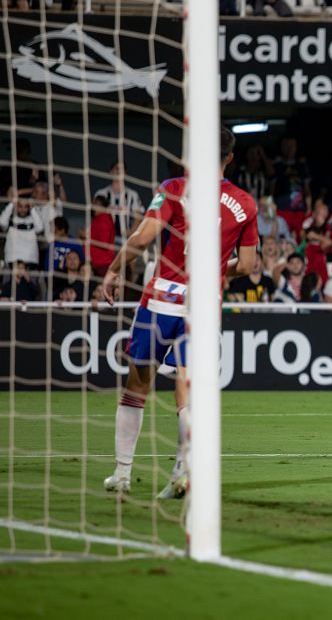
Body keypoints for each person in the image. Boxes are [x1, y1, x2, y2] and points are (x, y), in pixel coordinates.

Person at [99, 126, 258, 498]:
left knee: (137, 386)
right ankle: (182, 474)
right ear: (230, 157)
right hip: (201, 304)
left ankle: (122, 475)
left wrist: (113, 270)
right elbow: (248, 265)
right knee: (186, 390)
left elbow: (142, 238)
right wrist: (217, 269)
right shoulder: (245, 203)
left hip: (161, 300)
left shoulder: (173, 188)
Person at [95, 161, 144, 243]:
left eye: (122, 169)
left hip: (125, 239)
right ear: (110, 172)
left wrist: (132, 232)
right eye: (116, 168)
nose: (118, 171)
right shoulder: (102, 193)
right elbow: (95, 216)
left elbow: (138, 216)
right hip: (106, 240)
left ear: (125, 173)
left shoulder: (132, 195)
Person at [0, 198, 43, 267]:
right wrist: (12, 204)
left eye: (26, 206)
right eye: (20, 206)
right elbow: (2, 223)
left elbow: (40, 228)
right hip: (12, 257)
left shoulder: (33, 219)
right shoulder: (10, 219)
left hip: (30, 258)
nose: (23, 209)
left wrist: (32, 209)